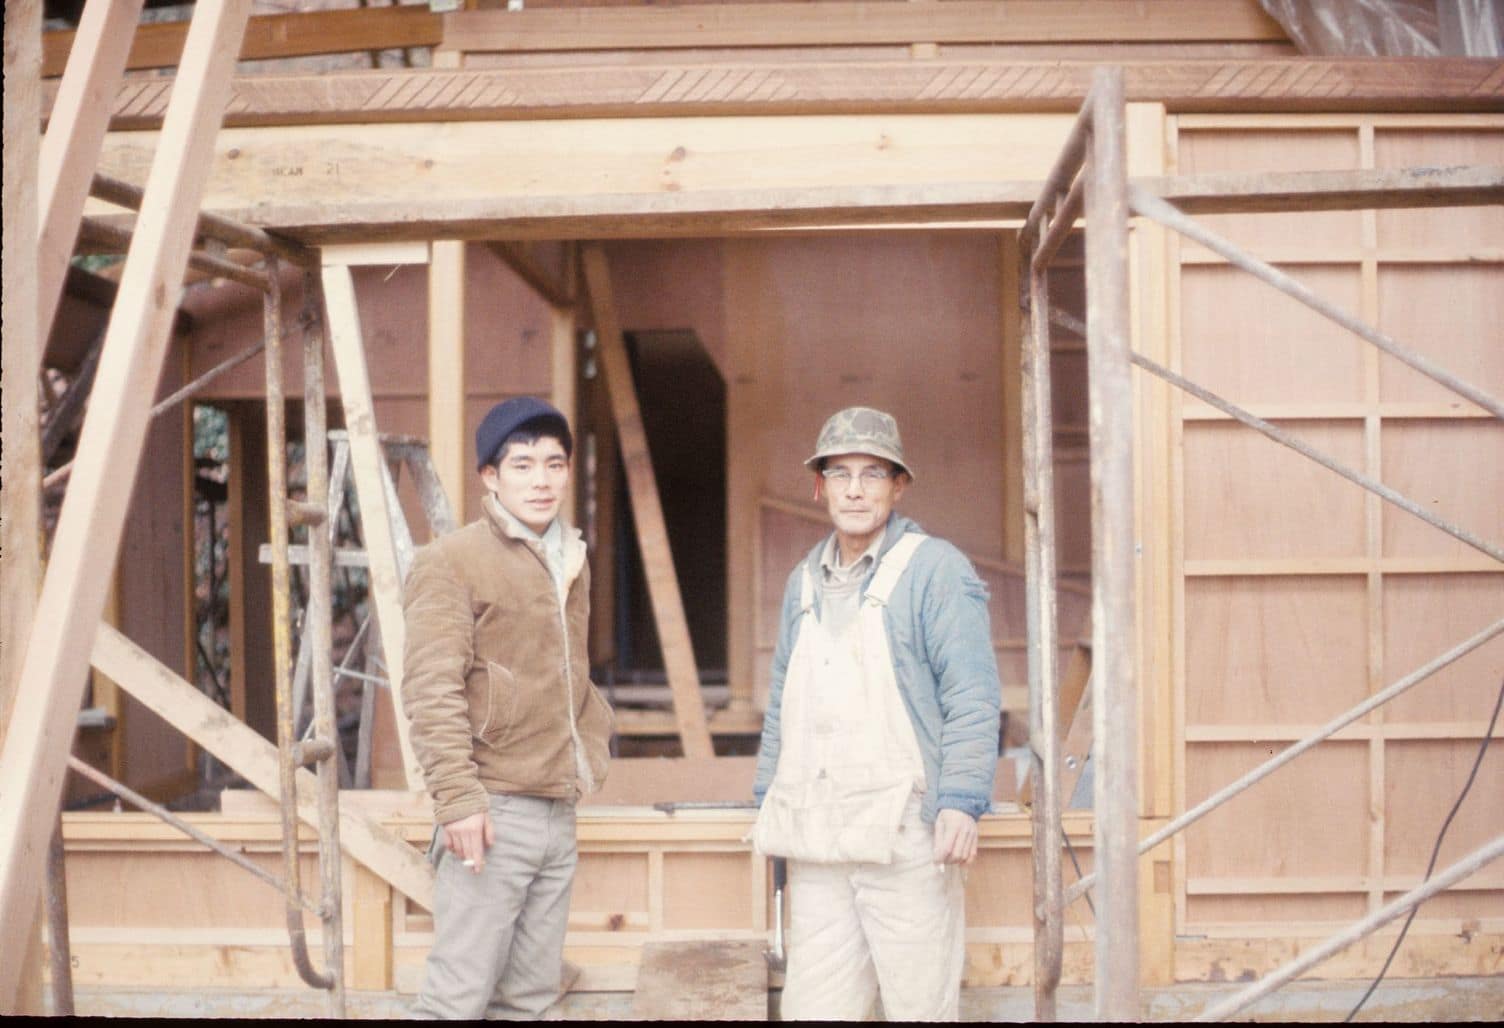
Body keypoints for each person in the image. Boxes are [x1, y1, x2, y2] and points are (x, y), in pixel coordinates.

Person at [751, 405, 1001, 1021]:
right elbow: (782, 702)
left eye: (872, 473)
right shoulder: (802, 583)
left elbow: (972, 694)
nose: (855, 490)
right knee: (814, 1011)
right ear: (820, 485)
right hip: (818, 840)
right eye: (840, 474)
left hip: (905, 838)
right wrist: (767, 806)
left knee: (919, 1008)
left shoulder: (934, 570)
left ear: (898, 485)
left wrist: (961, 800)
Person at [402, 396, 613, 1020]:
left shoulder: (570, 558)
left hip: (556, 804)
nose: (541, 480)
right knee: (455, 1000)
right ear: (489, 477)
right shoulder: (451, 561)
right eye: (521, 465)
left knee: (529, 1001)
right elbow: (430, 690)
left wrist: (591, 746)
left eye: (554, 463)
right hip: (491, 811)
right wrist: (459, 800)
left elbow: (568, 671)